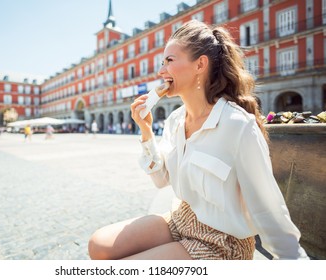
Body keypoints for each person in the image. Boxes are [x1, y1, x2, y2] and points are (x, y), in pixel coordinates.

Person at [88, 20, 309, 260]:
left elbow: (269, 212)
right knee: (98, 245)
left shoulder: (237, 125)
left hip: (222, 242)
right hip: (182, 218)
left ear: (200, 64)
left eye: (169, 61)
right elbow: (161, 180)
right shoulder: (174, 120)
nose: (162, 71)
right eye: (162, 63)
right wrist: (146, 131)